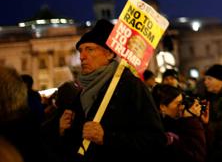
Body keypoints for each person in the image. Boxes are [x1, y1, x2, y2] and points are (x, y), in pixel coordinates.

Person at [46, 19, 166, 161]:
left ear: (109, 54)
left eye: (90, 49)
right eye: (80, 50)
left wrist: (107, 138)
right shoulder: (82, 92)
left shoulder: (132, 86)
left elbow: (156, 139)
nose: (82, 57)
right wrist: (61, 131)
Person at [152, 84, 208, 162]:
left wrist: (203, 123)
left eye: (182, 103)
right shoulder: (161, 131)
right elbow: (196, 157)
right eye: (178, 104)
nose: (182, 107)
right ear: (162, 107)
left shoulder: (177, 121)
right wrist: (191, 120)